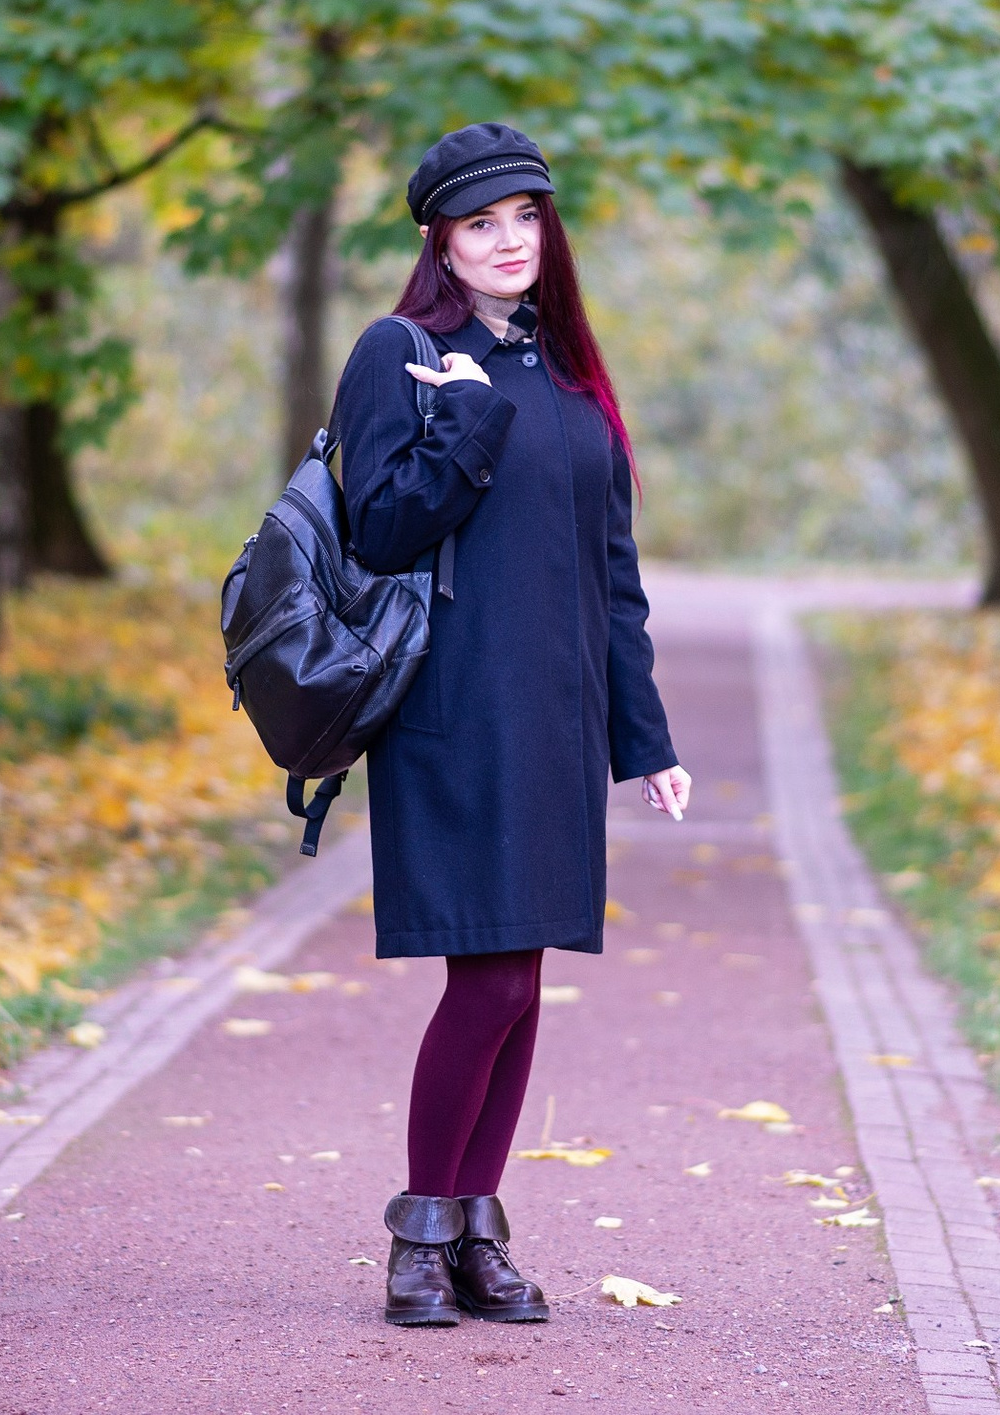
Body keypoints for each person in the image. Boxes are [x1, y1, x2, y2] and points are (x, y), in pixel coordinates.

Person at [328, 122, 692, 1326]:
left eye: (523, 218)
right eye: (479, 224)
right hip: (450, 717)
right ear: (440, 240)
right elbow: (378, 530)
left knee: (522, 983)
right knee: (482, 982)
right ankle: (421, 1236)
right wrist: (469, 425)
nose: (506, 242)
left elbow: (613, 578)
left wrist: (646, 743)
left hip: (558, 724)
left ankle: (475, 1232)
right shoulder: (401, 354)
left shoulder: (572, 375)